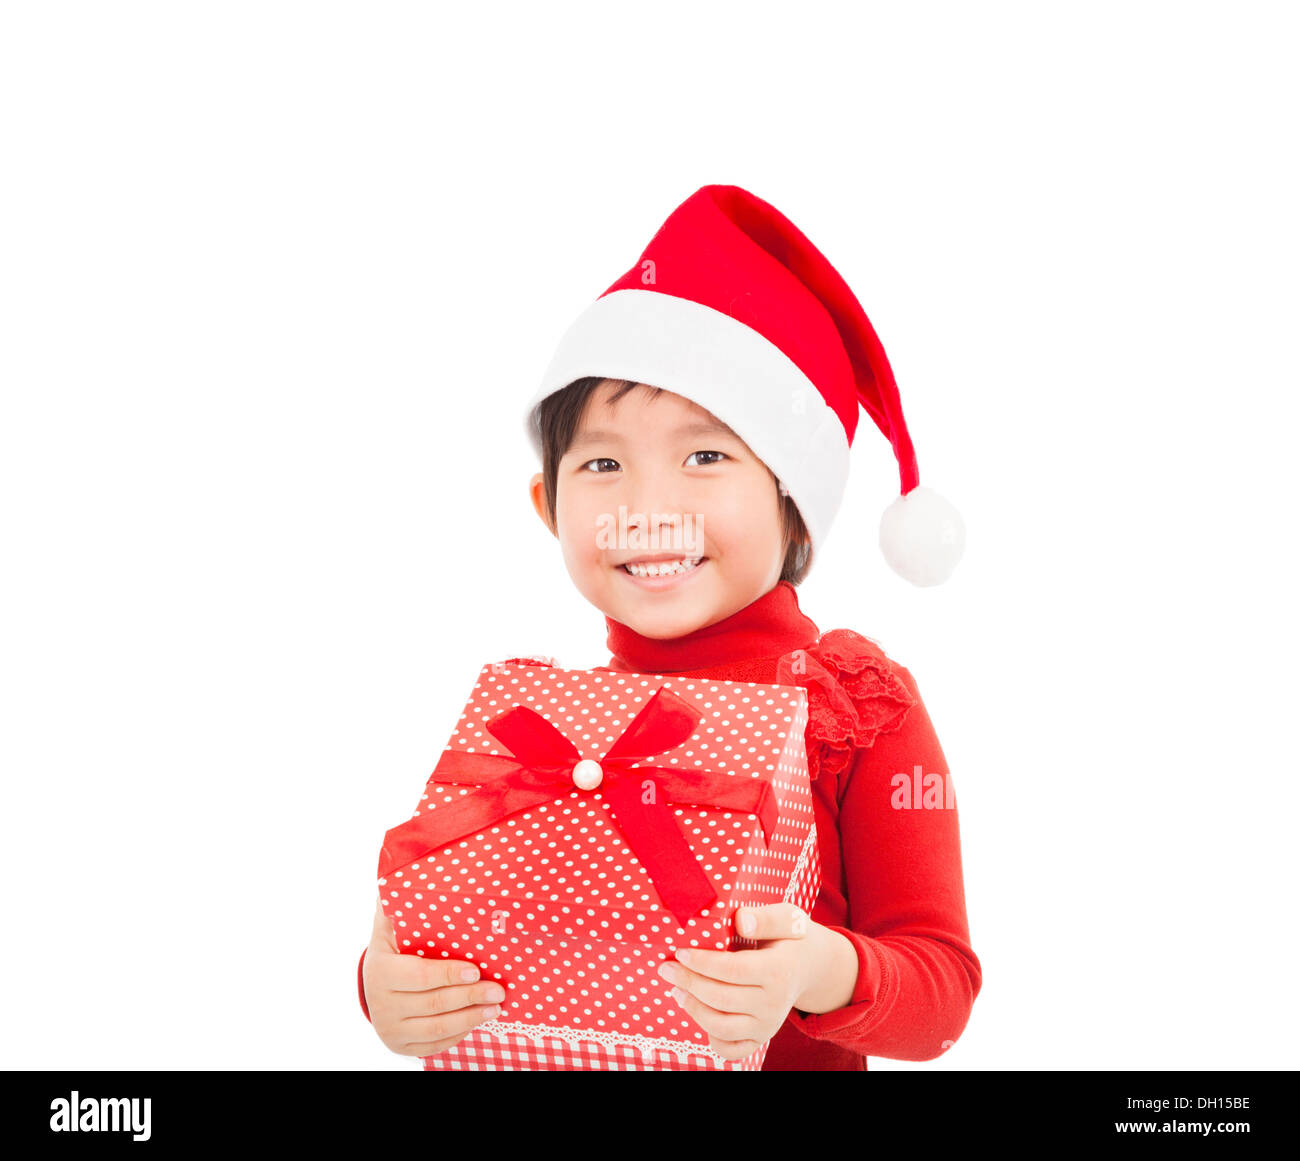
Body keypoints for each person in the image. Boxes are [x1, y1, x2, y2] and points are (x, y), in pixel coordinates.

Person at [357, 185, 981, 1070]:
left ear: (793, 505)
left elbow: (942, 996)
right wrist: (389, 991)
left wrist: (818, 969)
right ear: (550, 506)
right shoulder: (541, 732)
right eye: (604, 462)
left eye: (706, 455)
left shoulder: (855, 706)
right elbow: (491, 942)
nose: (650, 509)